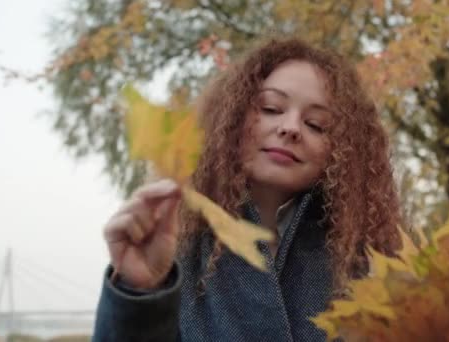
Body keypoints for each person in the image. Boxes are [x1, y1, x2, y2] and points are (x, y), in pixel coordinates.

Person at [93, 38, 403, 342]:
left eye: (317, 124)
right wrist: (139, 292)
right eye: (270, 108)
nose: (291, 127)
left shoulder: (370, 267)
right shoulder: (173, 254)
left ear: (342, 152)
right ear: (232, 117)